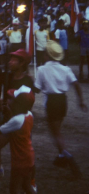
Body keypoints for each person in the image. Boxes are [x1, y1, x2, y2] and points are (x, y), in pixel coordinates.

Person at [35, 40, 87, 177]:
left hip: (52, 101)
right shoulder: (65, 69)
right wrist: (80, 100)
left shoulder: (42, 69)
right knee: (56, 130)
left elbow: (37, 89)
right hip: (63, 101)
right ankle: (61, 156)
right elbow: (76, 84)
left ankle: (68, 157)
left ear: (46, 55)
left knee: (56, 133)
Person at [0, 86, 36, 194]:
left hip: (20, 161)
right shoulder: (29, 115)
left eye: (11, 99)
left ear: (19, 104)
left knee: (14, 189)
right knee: (26, 185)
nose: (8, 100)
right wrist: (9, 110)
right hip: (29, 157)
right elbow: (16, 122)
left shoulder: (16, 120)